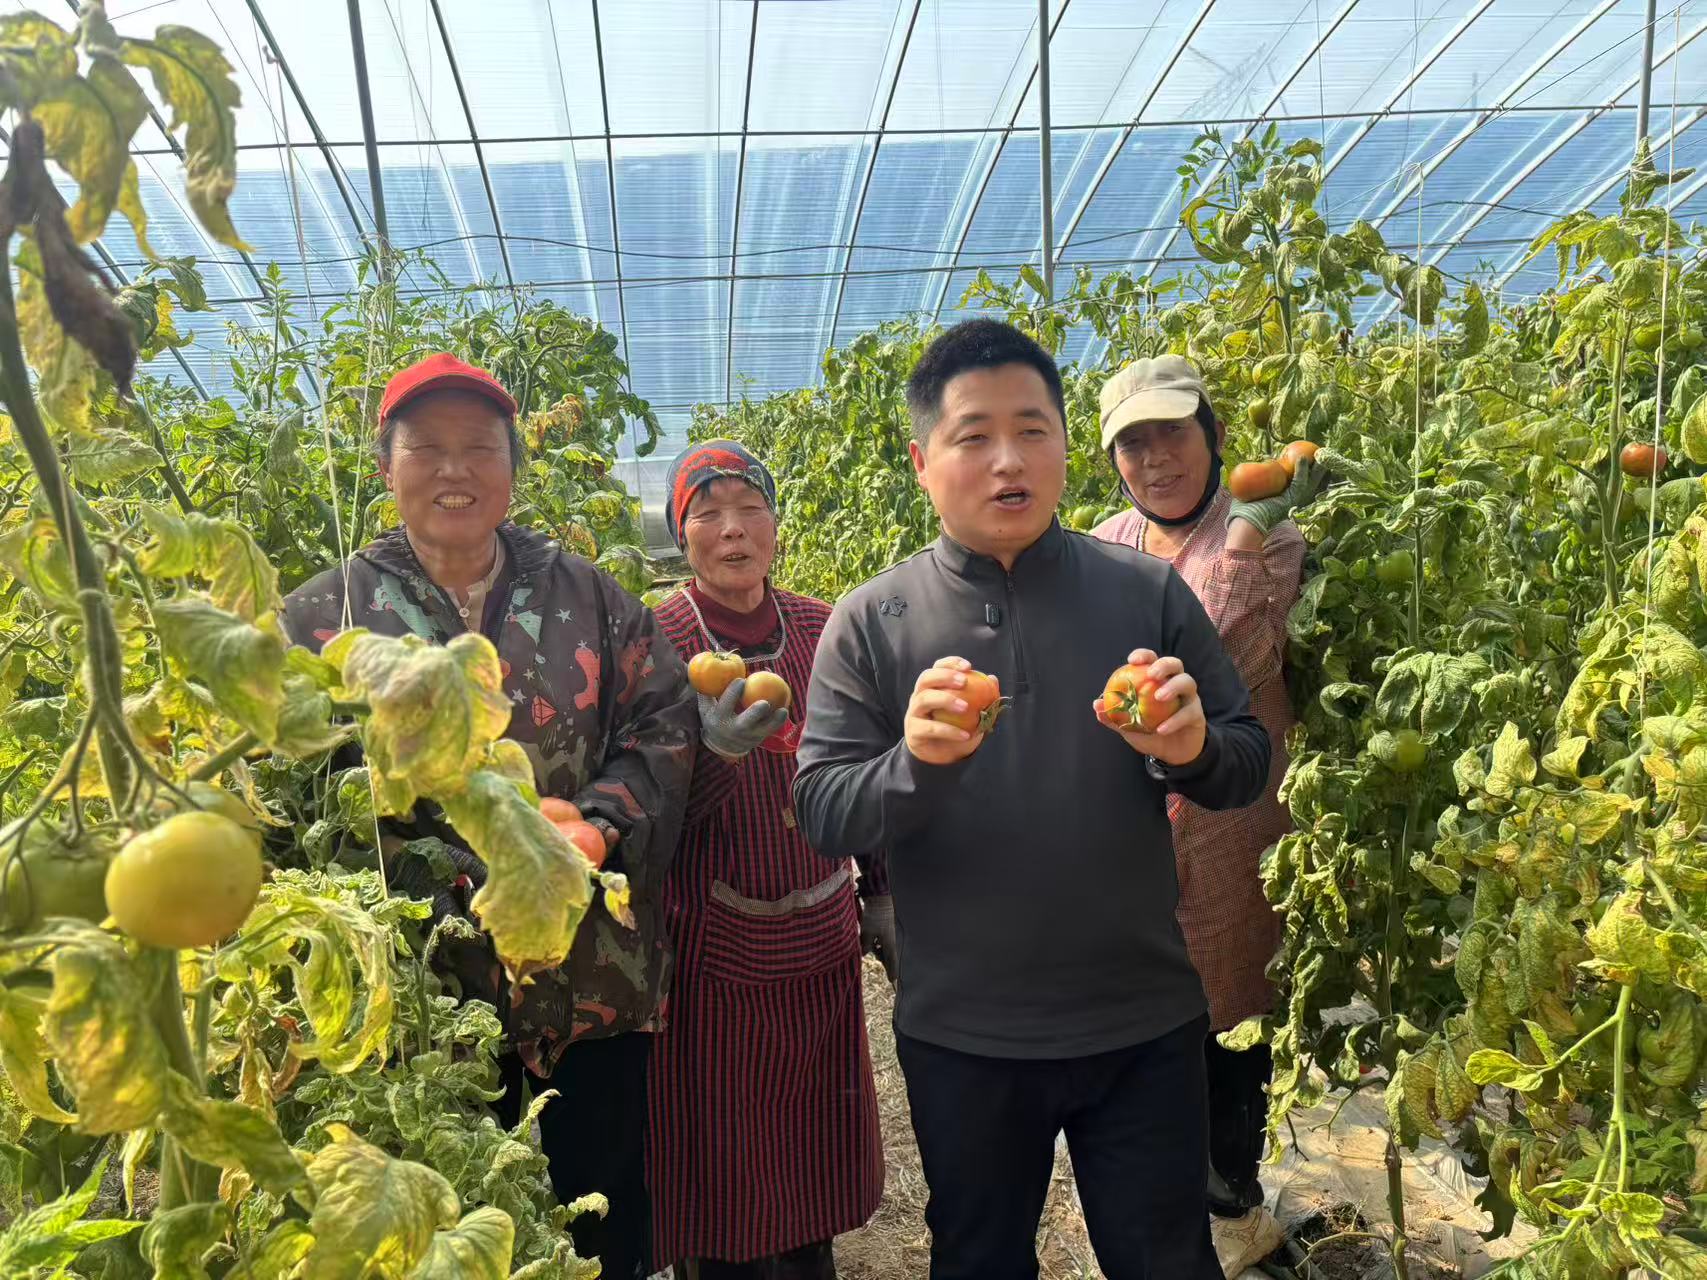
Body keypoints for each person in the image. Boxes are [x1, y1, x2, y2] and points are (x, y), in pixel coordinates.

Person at [792, 319, 1272, 1280]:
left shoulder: (1144, 594)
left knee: (1166, 1260)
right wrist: (913, 763)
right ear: (922, 462)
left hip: (1141, 1019)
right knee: (980, 1260)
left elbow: (1245, 760)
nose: (1007, 461)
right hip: (964, 1033)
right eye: (973, 436)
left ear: (1062, 447)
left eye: (1032, 430)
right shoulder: (873, 621)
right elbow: (822, 810)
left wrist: (1189, 749)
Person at [280, 352, 695, 1280]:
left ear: (512, 466)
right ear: (385, 466)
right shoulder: (323, 618)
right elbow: (294, 797)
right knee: (448, 1222)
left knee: (601, 1208)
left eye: (478, 448)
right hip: (425, 996)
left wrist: (595, 826)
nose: (454, 471)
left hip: (588, 980)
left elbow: (664, 723)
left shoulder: (589, 596)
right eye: (426, 448)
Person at [645, 440, 884, 1280]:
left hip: (819, 933)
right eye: (707, 513)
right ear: (681, 534)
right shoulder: (659, 641)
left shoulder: (823, 629)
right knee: (725, 1160)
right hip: (710, 948)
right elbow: (641, 813)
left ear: (776, 525)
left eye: (750, 508)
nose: (732, 530)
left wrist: (882, 889)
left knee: (812, 1140)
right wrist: (708, 756)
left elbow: (866, 767)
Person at [1090, 357, 1313, 1252]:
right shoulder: (1106, 542)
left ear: (1213, 436)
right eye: (1132, 444)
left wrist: (1248, 537)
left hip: (1231, 822)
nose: (1155, 459)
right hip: (1130, 825)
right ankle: (1165, 1193)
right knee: (1148, 1006)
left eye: (1172, 434)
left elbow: (1219, 654)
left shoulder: (1267, 533)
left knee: (1232, 1006)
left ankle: (1232, 1201)